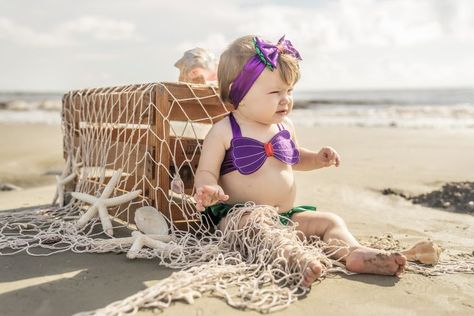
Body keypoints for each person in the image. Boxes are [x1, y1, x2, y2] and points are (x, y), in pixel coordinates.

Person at [193, 35, 406, 287]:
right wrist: (209, 189)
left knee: (330, 222)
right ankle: (291, 258)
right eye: (275, 92)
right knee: (255, 225)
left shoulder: (284, 125)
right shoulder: (224, 131)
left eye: (289, 90)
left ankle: (353, 253)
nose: (285, 99)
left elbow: (294, 158)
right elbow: (206, 170)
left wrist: (316, 158)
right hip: (238, 218)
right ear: (236, 96)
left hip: (285, 217)